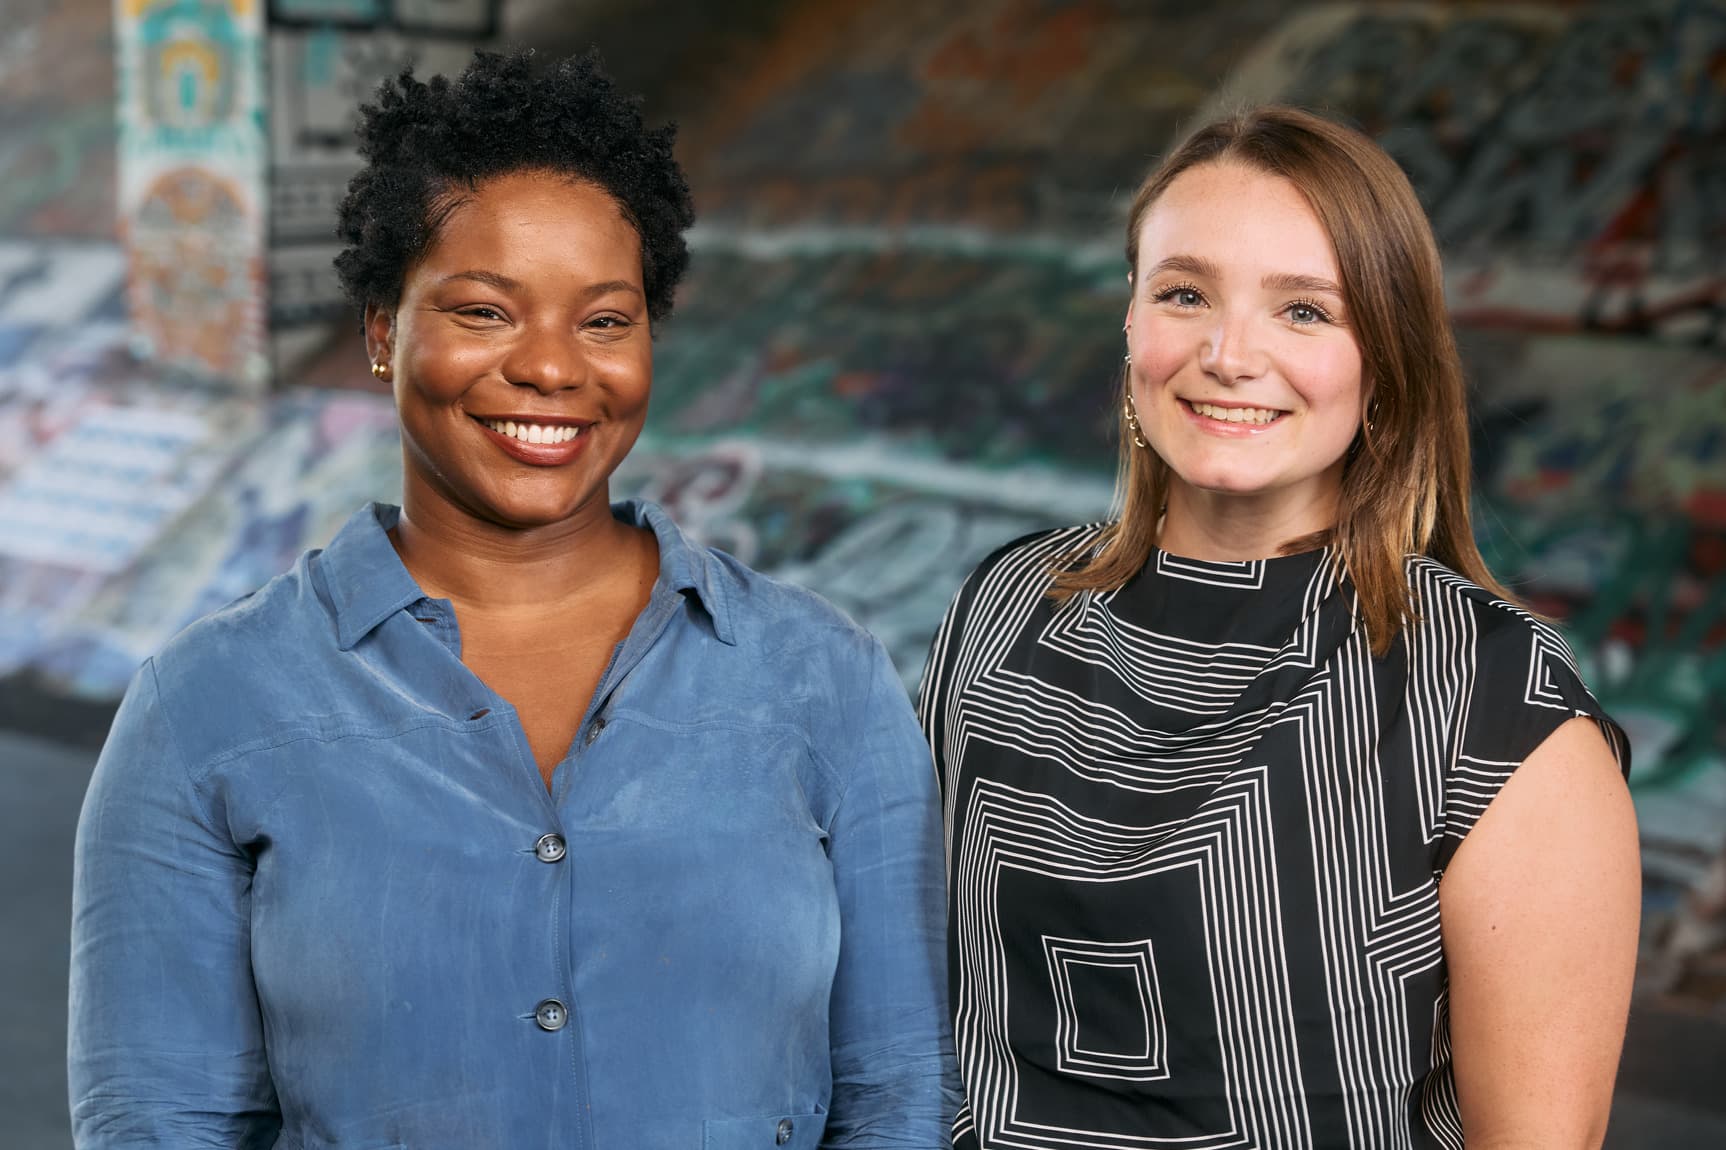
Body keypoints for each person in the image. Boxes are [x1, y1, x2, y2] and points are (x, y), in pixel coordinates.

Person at [70, 50, 955, 1148]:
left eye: (603, 320)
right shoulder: (205, 707)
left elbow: (901, 1095)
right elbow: (161, 1124)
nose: (551, 368)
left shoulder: (826, 680)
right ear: (384, 329)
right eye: (485, 311)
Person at [918, 107, 1638, 1150]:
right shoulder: (1003, 605)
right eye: (1183, 293)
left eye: (1303, 312)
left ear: (1383, 358)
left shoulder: (1490, 701)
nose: (1227, 354)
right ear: (1130, 322)